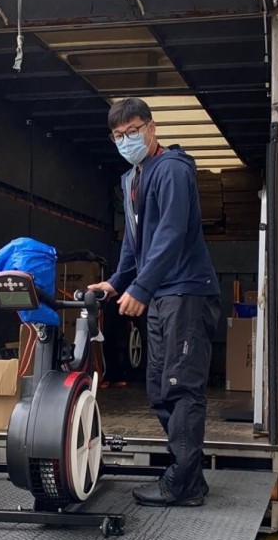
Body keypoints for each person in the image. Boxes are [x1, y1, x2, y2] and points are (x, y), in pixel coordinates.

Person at [89, 97, 220, 506]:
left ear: (151, 128)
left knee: (181, 388)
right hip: (163, 295)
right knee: (159, 388)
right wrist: (116, 283)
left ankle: (182, 483)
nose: (126, 140)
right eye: (118, 135)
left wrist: (141, 289)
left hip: (186, 292)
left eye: (132, 131)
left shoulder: (173, 170)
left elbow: (171, 232)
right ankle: (190, 479)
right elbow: (135, 239)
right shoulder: (131, 180)